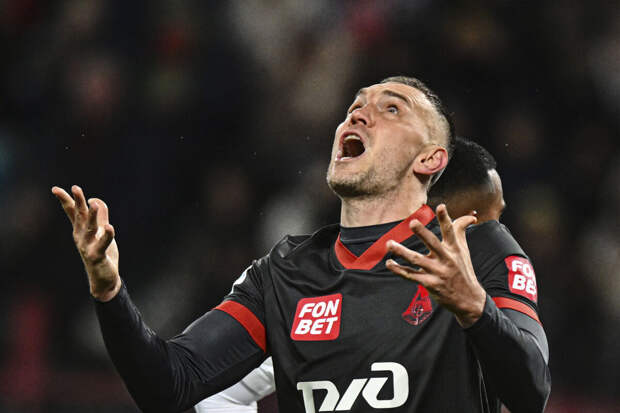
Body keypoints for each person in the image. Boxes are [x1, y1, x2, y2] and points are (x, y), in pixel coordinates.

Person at [52, 76, 550, 412]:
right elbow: (169, 385)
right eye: (354, 107)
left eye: (390, 108)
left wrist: (475, 309)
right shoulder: (283, 273)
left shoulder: (474, 250)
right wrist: (110, 293)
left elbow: (531, 393)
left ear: (430, 159)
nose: (359, 115)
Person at [193, 136, 535, 413]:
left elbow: (529, 383)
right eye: (476, 221)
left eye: (498, 219)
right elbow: (224, 391)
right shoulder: (325, 299)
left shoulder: (486, 307)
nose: (495, 237)